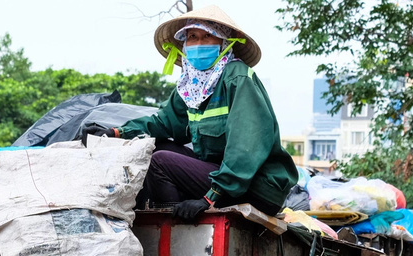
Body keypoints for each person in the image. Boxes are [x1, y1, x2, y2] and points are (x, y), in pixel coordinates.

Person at [83, 5, 297, 220]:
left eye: (208, 36)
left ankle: (176, 226)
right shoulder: (192, 85)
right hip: (221, 175)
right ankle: (170, 213)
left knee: (160, 162)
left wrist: (211, 197)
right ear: (184, 43)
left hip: (255, 185)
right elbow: (162, 123)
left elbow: (246, 147)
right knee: (152, 147)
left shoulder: (237, 77)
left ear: (224, 43)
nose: (199, 43)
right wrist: (115, 133)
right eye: (193, 36)